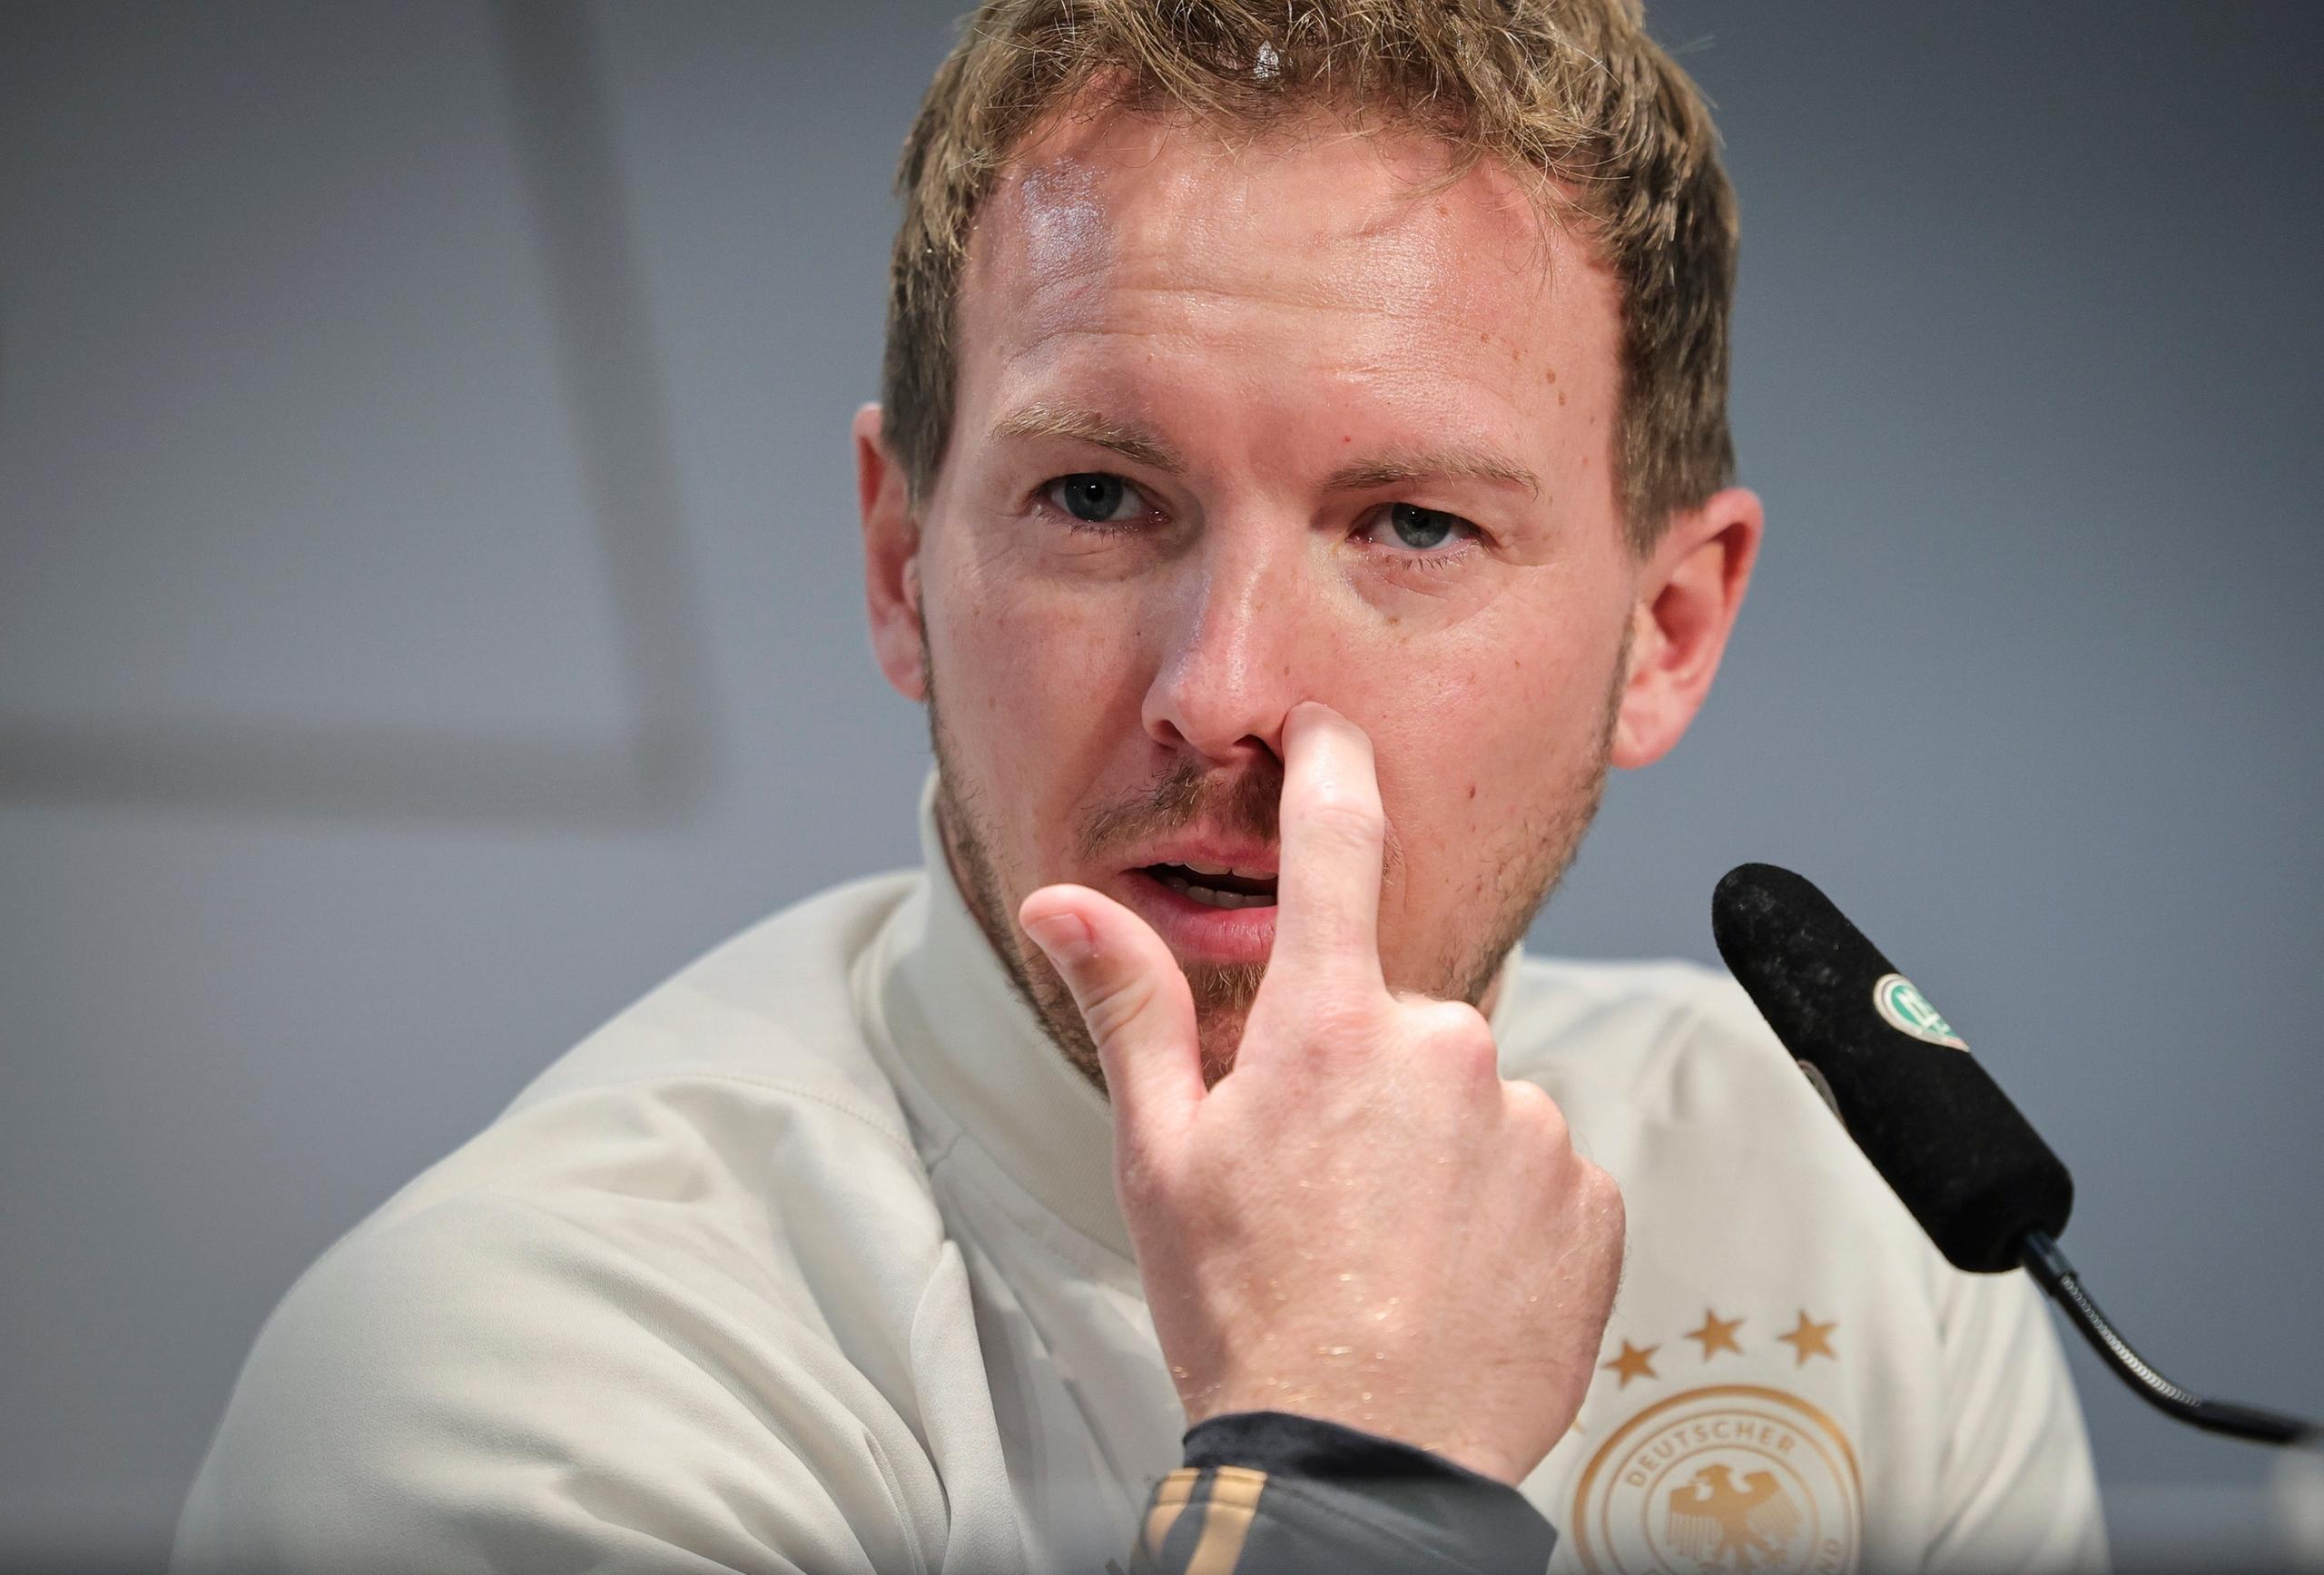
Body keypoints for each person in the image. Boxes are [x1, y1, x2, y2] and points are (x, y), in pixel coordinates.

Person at [172, 2, 2108, 1571]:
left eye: (1411, 524)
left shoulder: (1846, 1221)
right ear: (893, 562)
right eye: (1095, 497)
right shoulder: (520, 1376)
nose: (1222, 692)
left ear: (1667, 631)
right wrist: (1353, 1478)